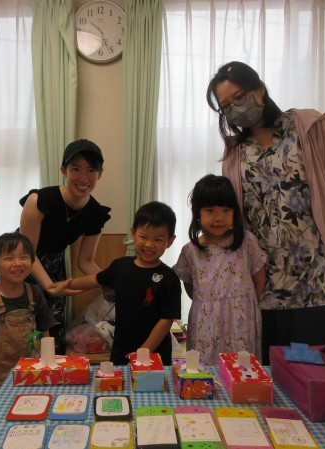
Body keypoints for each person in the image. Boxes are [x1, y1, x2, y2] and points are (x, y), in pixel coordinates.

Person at [206, 61, 325, 364]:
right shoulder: (235, 153)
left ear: (259, 90)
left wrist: (321, 226)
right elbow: (236, 214)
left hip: (320, 276)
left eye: (239, 97)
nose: (235, 108)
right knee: (274, 374)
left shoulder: (307, 126)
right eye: (226, 106)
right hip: (267, 285)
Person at [51, 201, 181, 366]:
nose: (149, 244)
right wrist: (63, 285)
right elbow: (94, 279)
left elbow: (166, 321)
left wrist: (144, 352)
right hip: (121, 351)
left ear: (170, 241)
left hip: (154, 354)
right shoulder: (120, 266)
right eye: (143, 237)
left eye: (158, 239)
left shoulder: (169, 278)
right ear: (133, 233)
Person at [19, 139, 111, 354]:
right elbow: (27, 252)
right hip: (21, 264)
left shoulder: (95, 213)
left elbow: (85, 261)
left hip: (55, 268)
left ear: (100, 174)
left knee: (52, 334)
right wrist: (50, 287)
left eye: (91, 170)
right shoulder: (39, 201)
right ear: (63, 171)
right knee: (21, 334)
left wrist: (109, 281)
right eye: (76, 169)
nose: (84, 178)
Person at [173, 174, 267, 365]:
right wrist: (209, 304)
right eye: (210, 210)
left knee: (242, 370)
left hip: (242, 322)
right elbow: (190, 287)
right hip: (205, 324)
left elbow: (259, 280)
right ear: (197, 213)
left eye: (226, 210)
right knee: (204, 369)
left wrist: (242, 303)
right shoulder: (190, 251)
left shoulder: (247, 242)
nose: (219, 218)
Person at [0, 232, 56, 404]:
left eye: (24, 257)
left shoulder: (35, 293)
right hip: (1, 378)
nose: (18, 263)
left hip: (35, 372)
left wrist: (49, 364)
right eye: (9, 258)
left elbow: (45, 331)